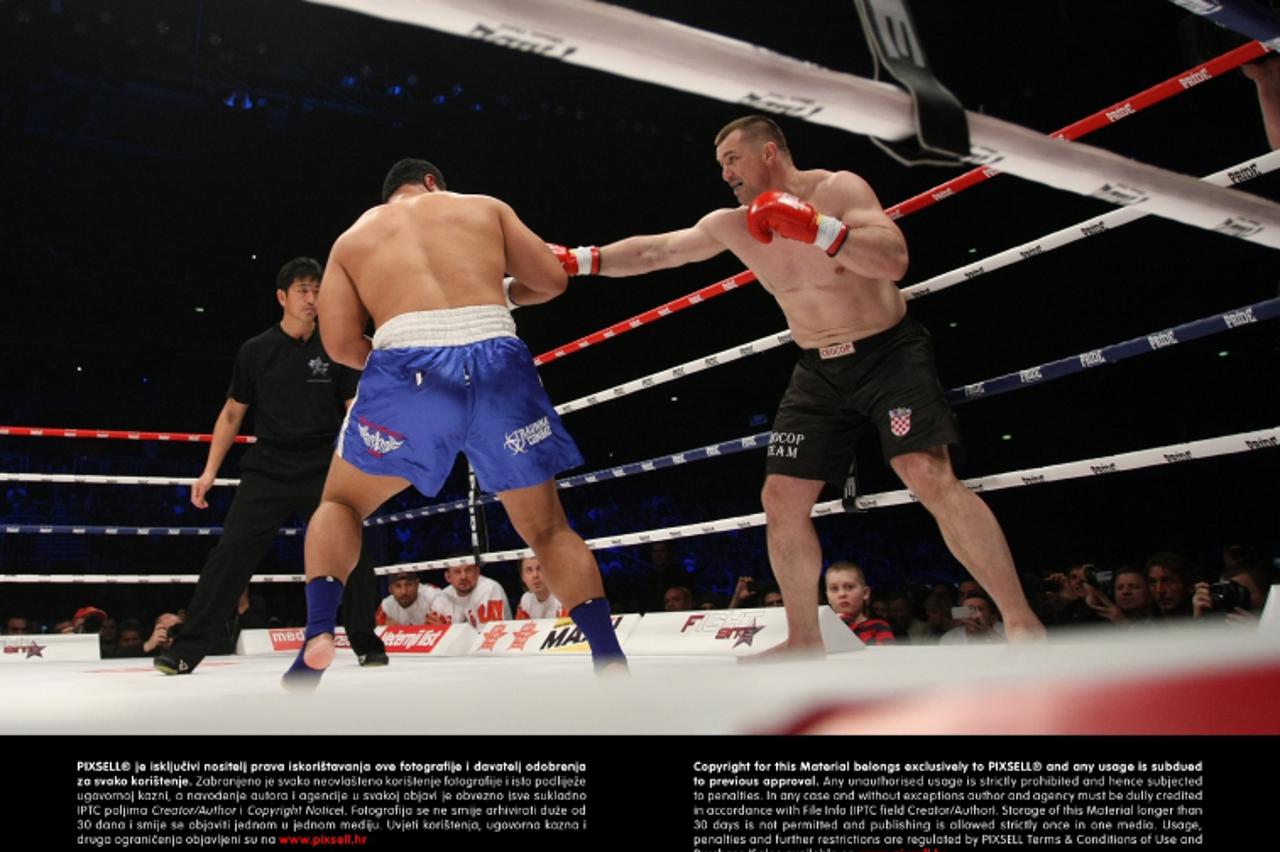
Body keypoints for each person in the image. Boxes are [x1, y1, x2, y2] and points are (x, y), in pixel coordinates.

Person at [551, 115, 1044, 654]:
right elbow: (656, 252)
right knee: (780, 497)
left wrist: (818, 228)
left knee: (924, 470)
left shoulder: (839, 188)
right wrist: (581, 260)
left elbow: (894, 260)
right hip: (817, 369)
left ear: (769, 151)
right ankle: (804, 637)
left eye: (732, 160)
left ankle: (1020, 620)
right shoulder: (732, 223)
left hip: (887, 352)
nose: (726, 175)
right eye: (721, 167)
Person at [282, 158, 627, 689]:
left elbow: (340, 345)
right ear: (434, 184)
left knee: (341, 503)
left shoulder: (352, 239)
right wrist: (505, 293)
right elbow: (553, 281)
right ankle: (608, 658)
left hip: (408, 366)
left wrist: (406, 367)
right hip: (498, 360)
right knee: (548, 528)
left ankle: (319, 633)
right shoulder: (483, 207)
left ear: (389, 194)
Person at [155, 258, 385, 676]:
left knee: (350, 549)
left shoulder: (336, 345)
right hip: (268, 466)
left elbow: (354, 407)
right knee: (230, 556)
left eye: (318, 289)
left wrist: (365, 461)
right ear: (283, 297)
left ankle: (366, 641)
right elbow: (231, 413)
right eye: (303, 290)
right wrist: (209, 472)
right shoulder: (256, 350)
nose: (313, 298)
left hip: (323, 466)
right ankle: (186, 649)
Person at [824, 560, 894, 646]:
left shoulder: (879, 626)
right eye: (834, 589)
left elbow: (884, 656)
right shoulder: (822, 629)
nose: (841, 594)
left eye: (849, 587)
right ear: (828, 597)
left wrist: (845, 623)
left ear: (865, 593)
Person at [430, 562, 512, 627]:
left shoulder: (490, 588)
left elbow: (492, 633)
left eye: (468, 570)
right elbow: (434, 632)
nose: (463, 576)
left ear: (477, 571)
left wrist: (448, 632)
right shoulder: (441, 597)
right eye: (457, 572)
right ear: (448, 577)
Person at [376, 571, 441, 626]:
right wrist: (383, 628)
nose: (404, 592)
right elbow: (372, 631)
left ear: (417, 584)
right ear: (390, 589)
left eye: (408, 584)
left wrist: (441, 626)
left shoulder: (433, 595)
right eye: (398, 586)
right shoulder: (386, 606)